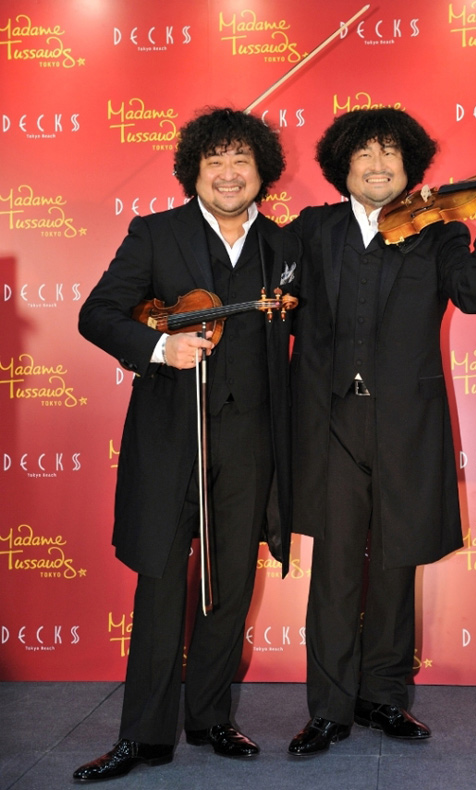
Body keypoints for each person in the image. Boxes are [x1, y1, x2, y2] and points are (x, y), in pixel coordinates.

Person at [286, 107, 476, 755]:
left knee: (397, 563)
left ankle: (383, 697)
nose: (378, 165)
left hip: (406, 424)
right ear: (342, 165)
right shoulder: (311, 229)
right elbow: (265, 290)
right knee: (335, 569)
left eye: (390, 153)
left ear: (411, 165)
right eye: (364, 153)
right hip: (330, 422)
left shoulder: (439, 230)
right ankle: (328, 711)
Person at [72, 107, 300, 782]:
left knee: (229, 585)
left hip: (252, 439)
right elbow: (96, 314)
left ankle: (209, 718)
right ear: (193, 171)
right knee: (163, 582)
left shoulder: (283, 246)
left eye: (241, 161)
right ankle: (143, 736)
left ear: (262, 172)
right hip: (171, 437)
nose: (229, 174)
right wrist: (158, 347)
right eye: (214, 161)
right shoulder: (155, 233)